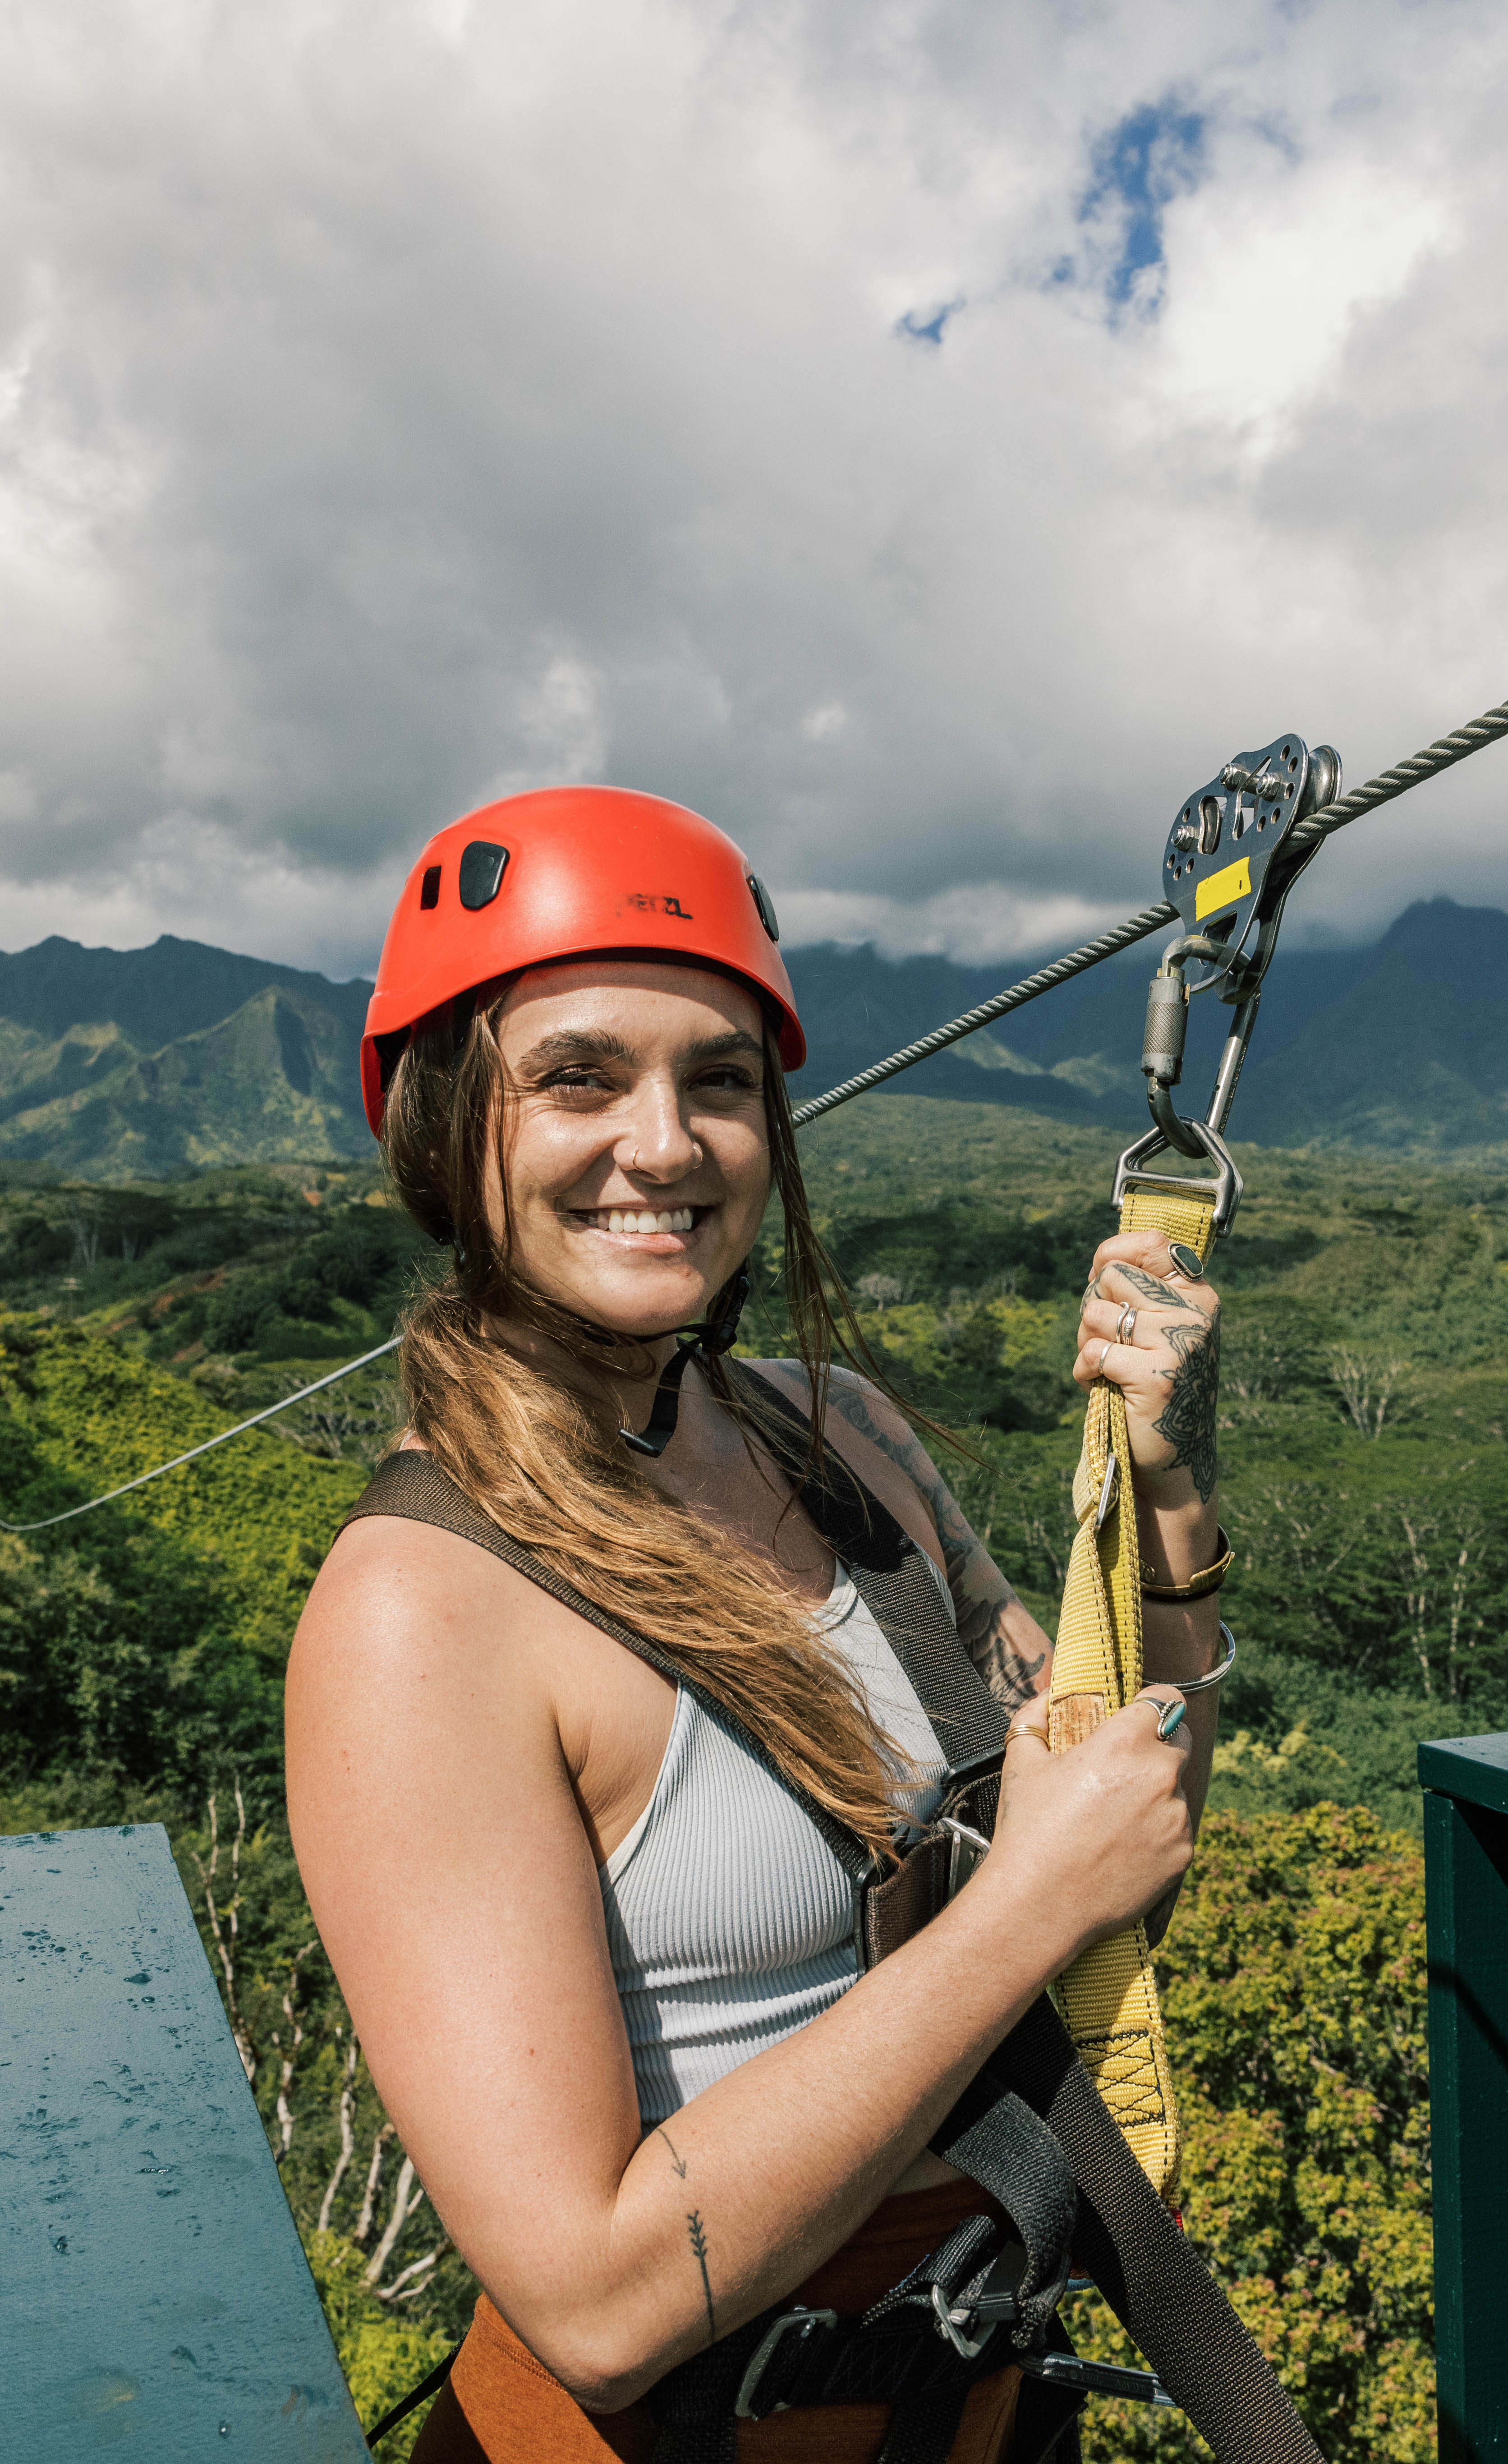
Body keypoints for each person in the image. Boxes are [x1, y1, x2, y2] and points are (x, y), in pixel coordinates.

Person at [290, 786, 1236, 2464]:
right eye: (578, 1076)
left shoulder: (843, 1438)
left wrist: (1168, 1504)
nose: (665, 1145)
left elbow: (1124, 1822)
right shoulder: (424, 1615)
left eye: (719, 1082)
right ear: (444, 1127)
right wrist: (1017, 1915)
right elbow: (595, 2297)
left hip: (974, 2409)